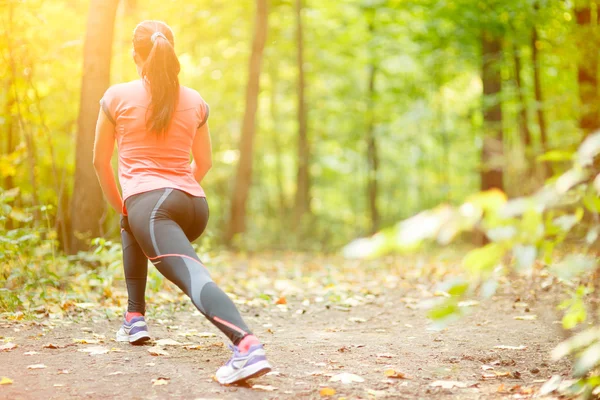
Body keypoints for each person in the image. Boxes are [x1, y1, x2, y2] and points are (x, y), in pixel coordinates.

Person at [92, 20, 271, 384]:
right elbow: (203, 163)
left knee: (193, 275)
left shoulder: (116, 97)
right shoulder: (195, 100)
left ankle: (247, 346)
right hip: (193, 204)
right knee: (133, 221)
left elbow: (99, 163)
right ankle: (134, 319)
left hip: (152, 205)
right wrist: (164, 194)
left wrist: (125, 205)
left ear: (135, 54)